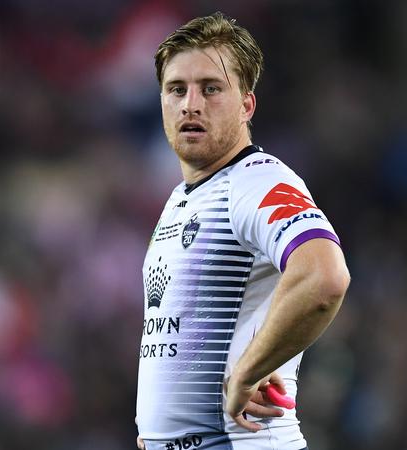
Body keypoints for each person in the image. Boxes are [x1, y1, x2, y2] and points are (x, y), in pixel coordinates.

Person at [136, 12, 350, 450]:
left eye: (211, 88)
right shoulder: (182, 199)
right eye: (177, 89)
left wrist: (248, 371)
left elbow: (324, 276)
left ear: (246, 105)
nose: (190, 104)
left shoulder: (256, 181)